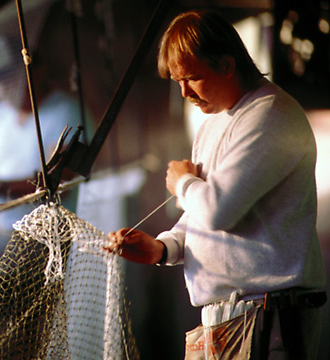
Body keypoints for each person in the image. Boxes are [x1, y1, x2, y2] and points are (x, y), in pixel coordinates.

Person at [107, 10, 327, 359]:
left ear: (227, 65)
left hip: (268, 318)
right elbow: (200, 216)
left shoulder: (270, 113)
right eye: (177, 81)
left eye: (192, 77)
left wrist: (182, 182)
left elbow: (218, 209)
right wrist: (164, 248)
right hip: (227, 320)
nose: (184, 92)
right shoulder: (213, 122)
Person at [0, 36, 87, 270]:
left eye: (9, 78)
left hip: (50, 242)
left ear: (36, 71)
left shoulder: (65, 112)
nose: (2, 90)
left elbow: (59, 180)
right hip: (2, 240)